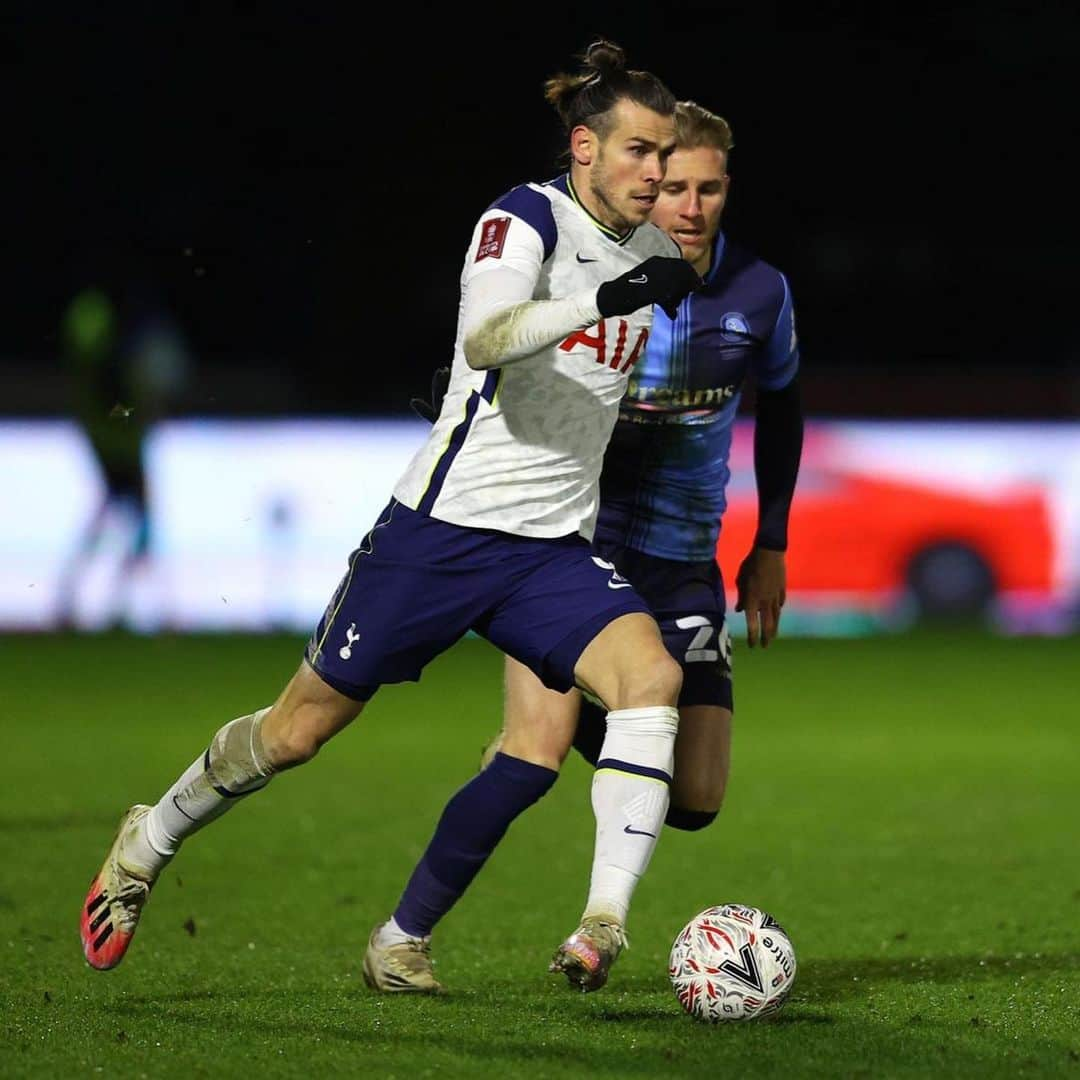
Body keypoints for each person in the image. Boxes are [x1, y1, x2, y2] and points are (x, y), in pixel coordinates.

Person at [79, 39, 701, 998]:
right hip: (440, 536)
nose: (657, 174)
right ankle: (147, 839)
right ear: (583, 147)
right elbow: (487, 335)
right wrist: (603, 297)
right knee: (294, 735)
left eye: (666, 156)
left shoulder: (660, 252)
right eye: (640, 153)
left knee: (650, 675)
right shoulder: (522, 218)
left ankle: (601, 923)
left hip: (549, 552)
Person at [381, 99, 803, 989]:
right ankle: (403, 933)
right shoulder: (603, 280)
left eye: (709, 188)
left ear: (729, 191)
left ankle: (603, 745)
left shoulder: (759, 293)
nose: (688, 205)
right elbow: (504, 346)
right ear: (642, 184)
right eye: (672, 185)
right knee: (533, 757)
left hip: (684, 557)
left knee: (696, 800)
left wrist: (770, 540)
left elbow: (785, 407)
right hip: (572, 549)